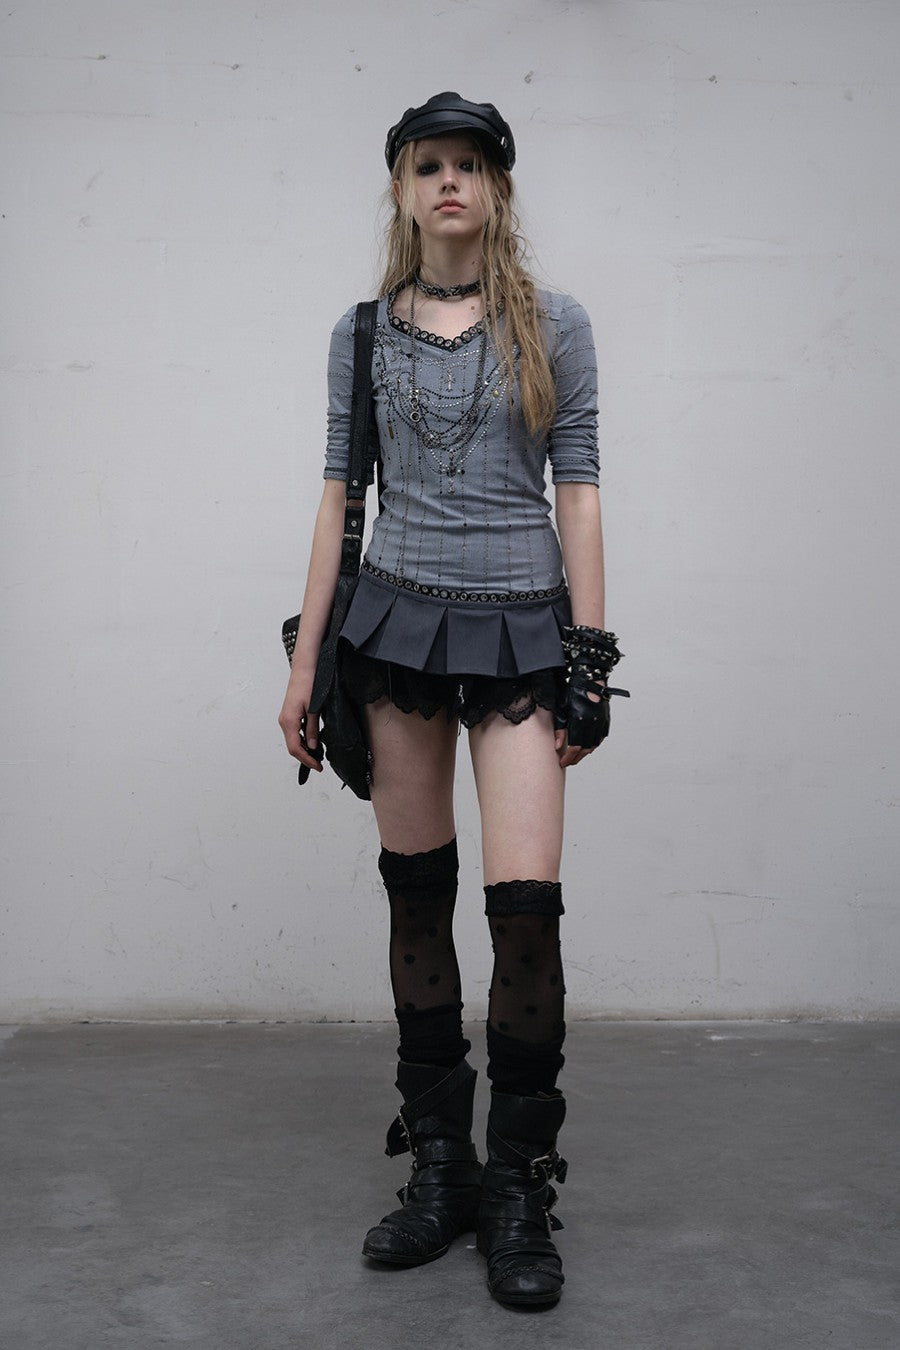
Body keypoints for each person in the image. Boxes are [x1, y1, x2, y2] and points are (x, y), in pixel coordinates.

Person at [279, 92, 626, 1309]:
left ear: (497, 188)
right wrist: (303, 663)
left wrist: (589, 653)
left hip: (523, 632)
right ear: (400, 186)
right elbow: (339, 497)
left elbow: (579, 489)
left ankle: (520, 1186)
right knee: (417, 898)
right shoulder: (362, 333)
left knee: (525, 914)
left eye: (470, 164)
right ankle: (444, 1169)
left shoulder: (555, 323)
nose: (448, 182)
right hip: (395, 633)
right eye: (428, 163)